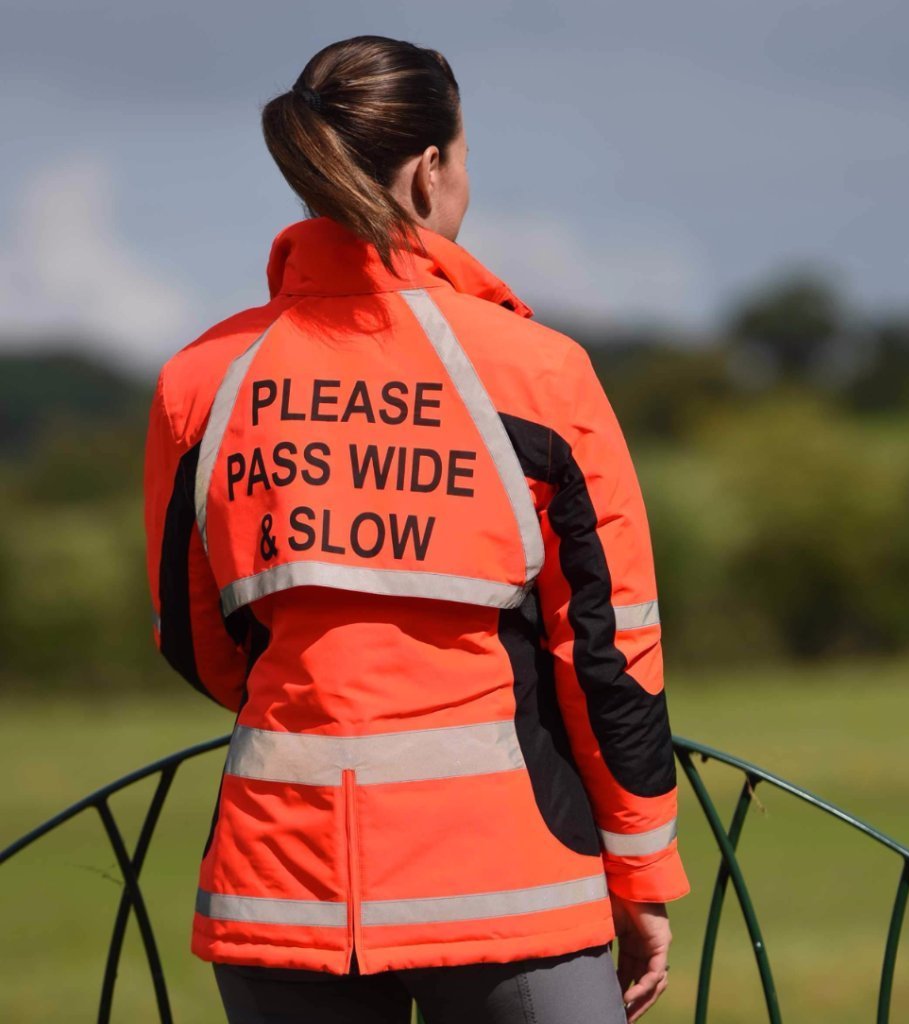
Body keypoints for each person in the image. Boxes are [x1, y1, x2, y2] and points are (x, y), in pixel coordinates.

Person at [143, 34, 690, 1024]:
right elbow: (608, 648)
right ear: (432, 168)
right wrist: (643, 865)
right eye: (466, 156)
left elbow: (198, 640)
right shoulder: (539, 372)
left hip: (277, 891)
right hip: (512, 890)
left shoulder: (201, 380)